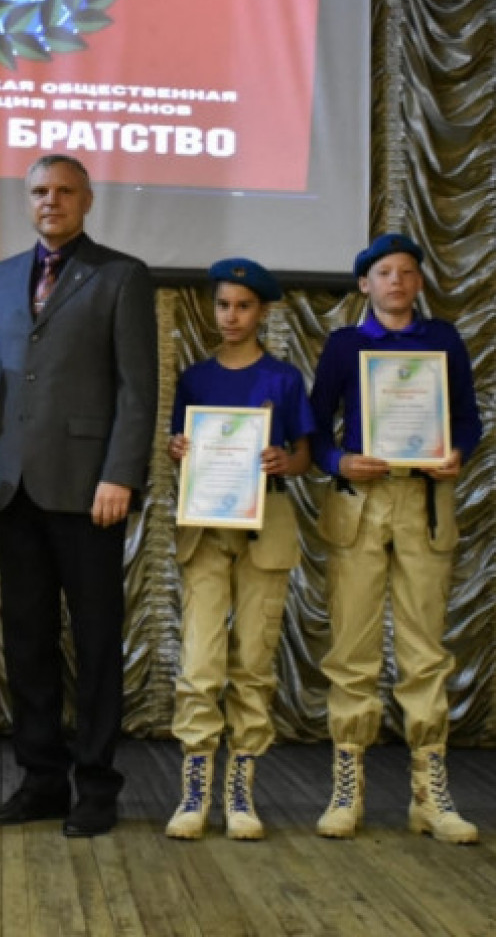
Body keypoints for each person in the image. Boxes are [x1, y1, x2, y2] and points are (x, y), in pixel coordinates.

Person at [0, 154, 158, 838]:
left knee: (98, 640)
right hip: (13, 485)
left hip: (90, 488)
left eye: (65, 191)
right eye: (40, 191)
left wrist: (121, 473)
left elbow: (137, 387)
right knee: (27, 640)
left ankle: (97, 786)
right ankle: (41, 780)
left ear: (87, 201)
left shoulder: (121, 276)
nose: (52, 201)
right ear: (28, 201)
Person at [310, 233, 482, 843]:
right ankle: (347, 787)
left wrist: (458, 451)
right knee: (351, 646)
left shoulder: (443, 341)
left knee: (424, 647)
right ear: (365, 284)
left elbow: (468, 419)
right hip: (361, 502)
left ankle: (429, 795)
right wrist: (339, 460)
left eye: (407, 272)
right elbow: (315, 426)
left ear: (418, 282)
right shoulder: (345, 345)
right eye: (385, 272)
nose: (397, 282)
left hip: (424, 502)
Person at [165, 259, 314, 841]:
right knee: (200, 661)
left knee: (253, 659)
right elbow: (182, 446)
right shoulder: (196, 379)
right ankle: (194, 790)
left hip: (265, 522)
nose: (231, 316)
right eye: (223, 305)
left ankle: (240, 791)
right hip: (206, 524)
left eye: (243, 306)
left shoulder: (282, 378)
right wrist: (179, 450)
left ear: (263, 312)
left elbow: (304, 455)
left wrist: (285, 460)